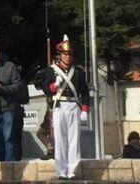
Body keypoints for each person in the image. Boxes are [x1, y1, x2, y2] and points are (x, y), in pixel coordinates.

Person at [42, 35, 90, 180]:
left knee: (74, 140)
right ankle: (61, 171)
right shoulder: (52, 71)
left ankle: (73, 170)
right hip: (59, 106)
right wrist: (54, 85)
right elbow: (45, 88)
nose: (67, 57)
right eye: (65, 54)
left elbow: (85, 92)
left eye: (69, 54)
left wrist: (85, 110)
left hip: (73, 106)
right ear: (60, 54)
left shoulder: (78, 72)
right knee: (60, 139)